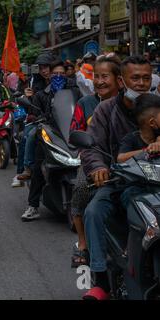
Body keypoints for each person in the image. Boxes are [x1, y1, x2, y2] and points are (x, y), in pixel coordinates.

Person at [81, 55, 153, 300]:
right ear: (122, 81)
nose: (142, 83)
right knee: (93, 212)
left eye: (146, 78)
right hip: (119, 181)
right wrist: (98, 168)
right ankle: (100, 279)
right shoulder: (105, 109)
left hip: (156, 184)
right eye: (136, 78)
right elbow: (91, 147)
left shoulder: (158, 107)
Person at [69, 55, 122, 268]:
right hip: (94, 161)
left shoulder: (130, 103)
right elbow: (75, 132)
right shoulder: (86, 102)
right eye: (96, 76)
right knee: (81, 189)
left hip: (129, 164)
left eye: (105, 76)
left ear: (119, 79)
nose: (99, 81)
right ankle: (82, 242)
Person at [20, 60, 81, 221]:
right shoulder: (41, 94)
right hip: (50, 132)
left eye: (62, 73)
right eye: (55, 73)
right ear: (49, 75)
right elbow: (33, 111)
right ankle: (33, 205)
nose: (58, 76)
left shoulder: (74, 91)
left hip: (71, 132)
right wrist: (30, 105)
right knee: (39, 168)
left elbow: (81, 107)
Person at [11, 53, 55, 188]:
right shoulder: (33, 82)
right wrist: (29, 97)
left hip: (60, 120)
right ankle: (24, 170)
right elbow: (33, 108)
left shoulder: (62, 81)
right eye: (41, 68)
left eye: (46, 67)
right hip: (40, 119)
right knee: (28, 136)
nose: (44, 70)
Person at [116, 94, 160, 209]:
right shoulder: (131, 138)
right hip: (140, 184)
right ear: (152, 123)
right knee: (128, 195)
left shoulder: (158, 136)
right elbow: (121, 158)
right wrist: (146, 150)